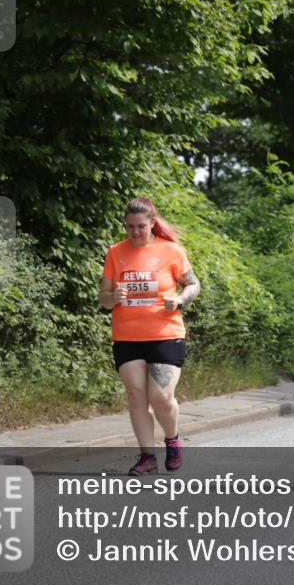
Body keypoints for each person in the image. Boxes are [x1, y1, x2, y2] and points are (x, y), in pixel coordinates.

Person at [99, 197, 200, 476]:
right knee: (136, 396)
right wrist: (112, 297)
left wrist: (179, 300)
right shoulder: (115, 252)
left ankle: (172, 439)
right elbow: (103, 299)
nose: (135, 232)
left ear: (152, 223)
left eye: (141, 226)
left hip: (165, 335)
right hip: (127, 337)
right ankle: (147, 457)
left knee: (161, 397)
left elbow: (194, 284)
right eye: (130, 226)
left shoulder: (171, 251)